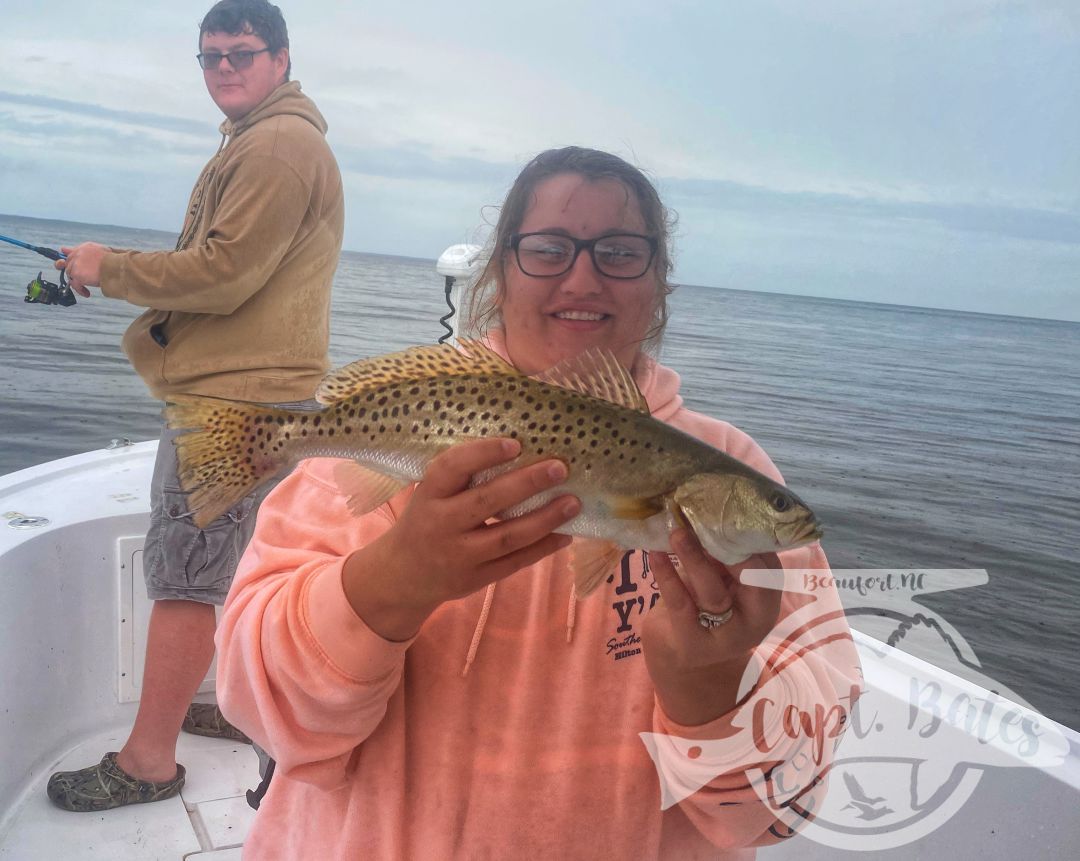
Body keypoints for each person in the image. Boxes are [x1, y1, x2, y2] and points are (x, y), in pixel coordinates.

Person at [215, 147, 859, 857]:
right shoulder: (369, 454)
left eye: (619, 251)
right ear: (500, 270)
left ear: (658, 281)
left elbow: (777, 811)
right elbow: (258, 711)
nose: (583, 275)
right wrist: (392, 581)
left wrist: (710, 683)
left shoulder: (735, 465)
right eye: (549, 248)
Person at [46, 0, 344, 812]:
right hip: (263, 396)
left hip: (232, 403)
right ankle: (245, 704)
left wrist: (110, 267)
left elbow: (223, 274)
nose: (223, 68)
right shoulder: (267, 139)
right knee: (247, 566)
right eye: (209, 55)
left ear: (281, 59)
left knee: (185, 575)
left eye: (241, 53)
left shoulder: (279, 147)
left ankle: (148, 761)